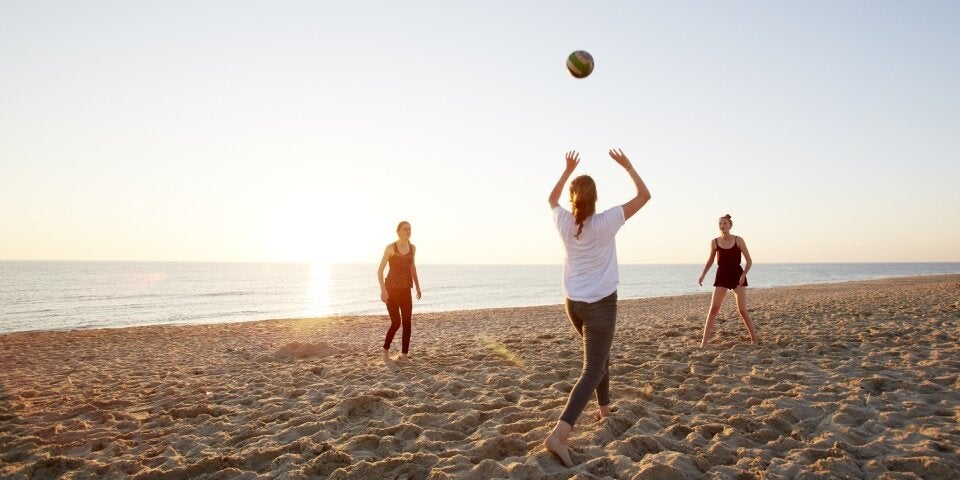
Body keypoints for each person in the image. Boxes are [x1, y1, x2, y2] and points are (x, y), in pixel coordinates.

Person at [542, 149, 651, 467]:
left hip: (573, 304)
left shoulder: (564, 220)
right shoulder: (605, 221)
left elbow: (551, 199)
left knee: (600, 358)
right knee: (592, 369)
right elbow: (644, 196)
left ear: (574, 198)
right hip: (600, 305)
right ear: (595, 198)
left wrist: (567, 171)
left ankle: (604, 409)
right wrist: (629, 167)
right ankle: (558, 435)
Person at [697, 214, 759, 347]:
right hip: (722, 275)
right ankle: (704, 342)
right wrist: (703, 275)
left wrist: (743, 275)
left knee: (742, 310)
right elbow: (710, 260)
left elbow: (749, 261)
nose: (722, 225)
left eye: (725, 223)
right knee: (713, 309)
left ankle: (754, 340)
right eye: (720, 223)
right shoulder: (714, 242)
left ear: (730, 225)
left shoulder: (739, 240)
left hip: (737, 275)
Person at [377, 221, 422, 363]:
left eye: (410, 229)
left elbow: (412, 268)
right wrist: (383, 290)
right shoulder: (391, 248)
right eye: (405, 229)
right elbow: (380, 270)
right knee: (396, 322)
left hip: (405, 290)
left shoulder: (412, 248)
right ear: (398, 231)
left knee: (407, 322)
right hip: (391, 290)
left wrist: (417, 286)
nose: (408, 231)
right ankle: (385, 351)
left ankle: (404, 355)